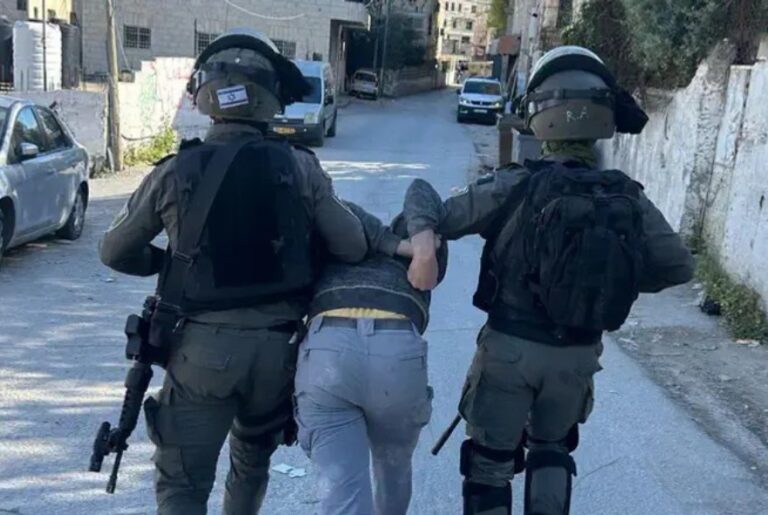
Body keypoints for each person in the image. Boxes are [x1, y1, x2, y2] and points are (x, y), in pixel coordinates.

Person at [405, 46, 695, 515]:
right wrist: (609, 276)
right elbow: (678, 266)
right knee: (553, 452)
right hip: (577, 357)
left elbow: (432, 209)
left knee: (489, 465)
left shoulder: (514, 184)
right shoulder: (626, 197)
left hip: (510, 352)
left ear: (539, 113)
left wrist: (421, 242)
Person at [99, 28, 368, 515]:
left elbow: (115, 252)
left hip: (201, 352)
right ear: (272, 97)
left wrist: (171, 265)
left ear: (202, 92)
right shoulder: (300, 166)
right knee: (251, 464)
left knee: (183, 485)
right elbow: (351, 245)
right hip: (278, 353)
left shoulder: (175, 170)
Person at [294, 189, 447, 515]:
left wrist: (386, 240)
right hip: (396, 353)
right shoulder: (423, 253)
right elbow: (421, 191)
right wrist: (416, 244)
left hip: (329, 349)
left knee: (342, 492)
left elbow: (331, 203)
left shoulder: (338, 239)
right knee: (393, 468)